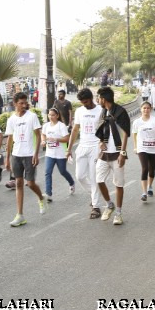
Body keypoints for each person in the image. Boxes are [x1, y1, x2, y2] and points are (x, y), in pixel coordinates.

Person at [4, 92, 47, 227]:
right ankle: (20, 215)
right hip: (16, 155)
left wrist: (36, 154)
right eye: (21, 103)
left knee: (30, 184)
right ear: (15, 104)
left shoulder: (32, 116)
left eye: (25, 102)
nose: (24, 105)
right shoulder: (11, 119)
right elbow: (10, 139)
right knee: (18, 183)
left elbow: (38, 135)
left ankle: (41, 198)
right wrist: (7, 157)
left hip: (29, 155)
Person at [93, 86, 132, 225]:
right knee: (99, 180)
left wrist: (123, 153)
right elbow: (100, 130)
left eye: (99, 97)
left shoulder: (121, 112)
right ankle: (109, 204)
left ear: (103, 99)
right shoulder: (103, 112)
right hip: (104, 155)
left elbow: (125, 133)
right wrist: (100, 143)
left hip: (117, 154)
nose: (97, 100)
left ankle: (118, 213)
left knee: (118, 184)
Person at [67, 88, 104, 219]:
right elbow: (75, 130)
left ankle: (96, 206)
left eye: (87, 102)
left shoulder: (101, 110)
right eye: (82, 102)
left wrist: (104, 146)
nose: (85, 104)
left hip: (96, 146)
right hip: (82, 146)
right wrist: (69, 148)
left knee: (94, 177)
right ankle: (95, 195)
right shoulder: (79, 111)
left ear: (92, 98)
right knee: (80, 176)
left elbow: (107, 129)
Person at [132, 101, 155, 202]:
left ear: (150, 109)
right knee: (144, 168)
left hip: (153, 148)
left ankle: (150, 186)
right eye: (144, 108)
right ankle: (144, 192)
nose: (146, 110)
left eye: (148, 108)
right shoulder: (136, 122)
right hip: (142, 148)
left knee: (151, 170)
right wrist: (135, 147)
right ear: (141, 109)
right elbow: (134, 135)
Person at [42, 107, 75, 201]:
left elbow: (67, 138)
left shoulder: (61, 126)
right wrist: (43, 141)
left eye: (53, 115)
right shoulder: (46, 126)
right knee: (47, 173)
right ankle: (49, 194)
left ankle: (71, 183)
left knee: (62, 171)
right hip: (49, 153)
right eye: (49, 115)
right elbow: (43, 134)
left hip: (60, 153)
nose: (51, 117)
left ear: (57, 116)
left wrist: (57, 139)